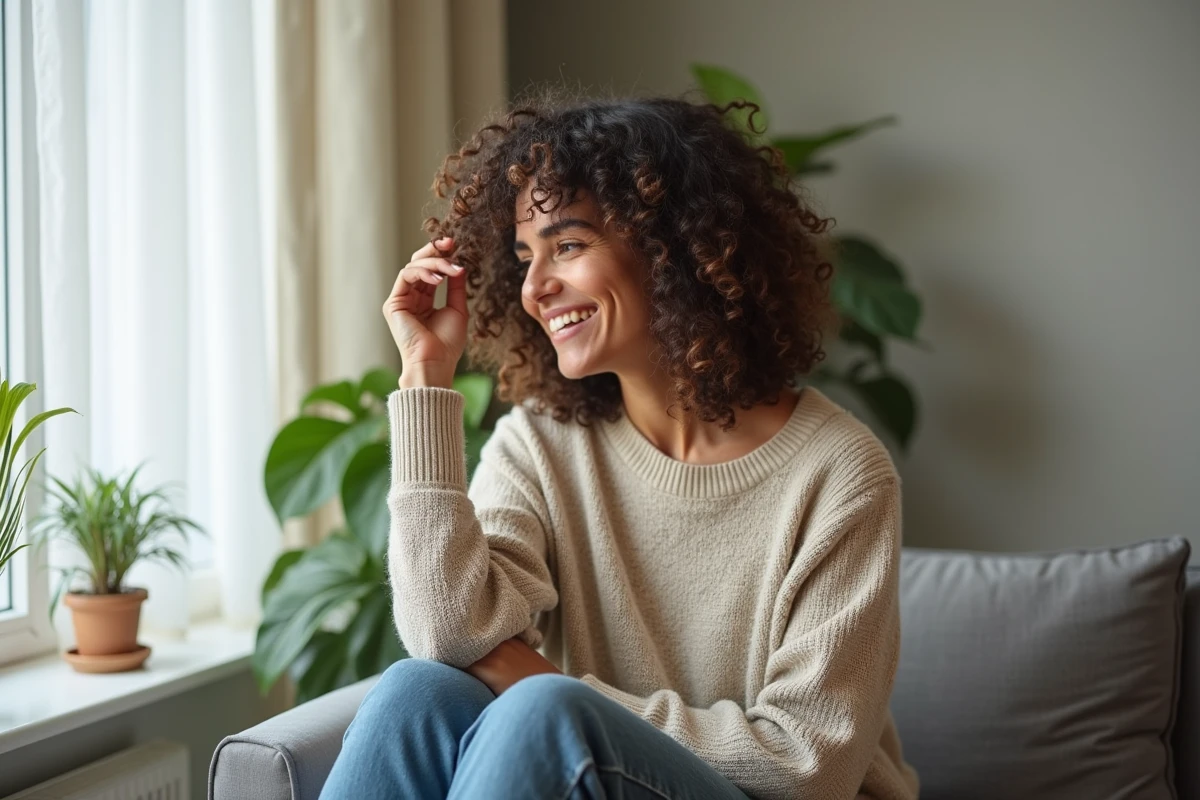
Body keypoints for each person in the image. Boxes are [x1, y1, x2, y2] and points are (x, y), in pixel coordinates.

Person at [319, 90, 921, 800]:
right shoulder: (541, 444)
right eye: (524, 257)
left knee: (544, 710)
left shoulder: (839, 471)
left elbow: (807, 767)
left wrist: (546, 684)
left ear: (676, 250)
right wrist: (424, 377)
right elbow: (447, 635)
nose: (536, 288)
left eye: (568, 246)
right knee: (416, 691)